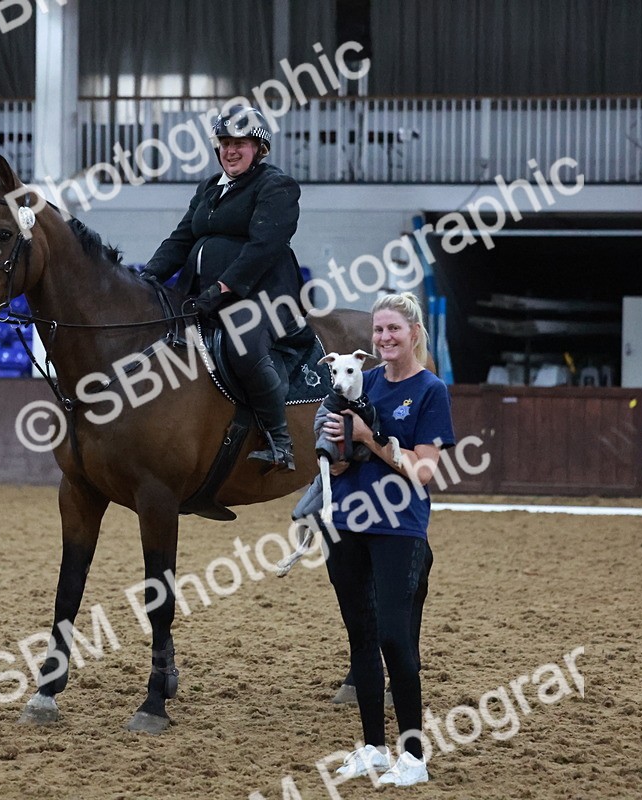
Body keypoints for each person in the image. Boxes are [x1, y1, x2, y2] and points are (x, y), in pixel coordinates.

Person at [322, 292, 455, 787]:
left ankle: (414, 756)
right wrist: (335, 443)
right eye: (378, 330)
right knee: (361, 638)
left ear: (414, 333)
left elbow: (422, 471)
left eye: (393, 329)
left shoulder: (430, 391)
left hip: (399, 530)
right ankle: (375, 749)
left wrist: (366, 439)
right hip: (346, 525)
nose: (383, 338)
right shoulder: (360, 382)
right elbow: (338, 462)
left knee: (396, 638)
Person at [142, 105, 306, 471]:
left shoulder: (275, 186)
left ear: (259, 148)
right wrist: (148, 277)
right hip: (203, 296)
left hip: (263, 295)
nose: (231, 151)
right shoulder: (207, 188)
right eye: (225, 143)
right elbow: (182, 238)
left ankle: (279, 440)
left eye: (241, 143)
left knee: (242, 344)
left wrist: (224, 287)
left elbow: (263, 247)